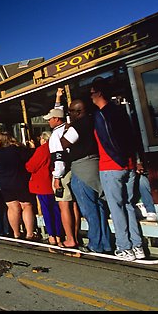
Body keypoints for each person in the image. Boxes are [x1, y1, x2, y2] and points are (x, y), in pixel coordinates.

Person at [90, 77, 146, 261]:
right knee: (128, 205)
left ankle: (124, 247)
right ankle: (137, 245)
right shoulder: (120, 111)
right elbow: (131, 136)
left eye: (91, 93)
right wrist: (133, 159)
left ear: (98, 93)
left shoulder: (101, 115)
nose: (90, 97)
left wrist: (118, 158)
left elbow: (107, 141)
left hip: (111, 165)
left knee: (117, 208)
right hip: (128, 164)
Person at [55, 89, 112, 253]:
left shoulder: (78, 125)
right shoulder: (93, 120)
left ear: (78, 112)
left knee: (89, 210)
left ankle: (95, 244)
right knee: (100, 208)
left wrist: (65, 130)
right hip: (96, 166)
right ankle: (106, 243)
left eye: (71, 111)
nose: (69, 114)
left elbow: (64, 144)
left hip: (81, 169)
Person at [44, 107, 81, 249]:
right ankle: (75, 235)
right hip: (74, 168)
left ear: (57, 119)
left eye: (50, 119)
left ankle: (70, 238)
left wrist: (57, 177)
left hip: (63, 172)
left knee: (64, 205)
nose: (49, 121)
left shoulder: (55, 136)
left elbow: (58, 158)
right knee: (74, 205)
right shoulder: (69, 130)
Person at [0, 131, 37, 239]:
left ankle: (16, 233)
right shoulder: (18, 150)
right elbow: (31, 157)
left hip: (5, 182)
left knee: (12, 207)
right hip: (20, 181)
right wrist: (32, 148)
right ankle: (29, 233)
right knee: (26, 205)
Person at [25, 131, 64, 246]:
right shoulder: (56, 147)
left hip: (43, 184)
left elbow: (30, 166)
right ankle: (58, 235)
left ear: (44, 139)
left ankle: (52, 235)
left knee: (47, 211)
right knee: (57, 210)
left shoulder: (42, 149)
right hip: (54, 182)